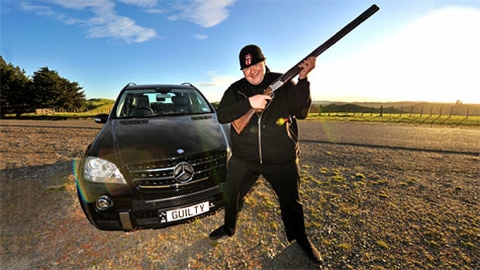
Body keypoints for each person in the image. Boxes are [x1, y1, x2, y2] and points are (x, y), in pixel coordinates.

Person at [210, 44, 322, 264]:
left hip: (282, 160)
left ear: (264, 62)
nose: (252, 71)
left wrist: (303, 79)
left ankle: (301, 238)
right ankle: (229, 227)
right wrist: (248, 103)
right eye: (246, 67)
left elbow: (301, 112)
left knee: (292, 203)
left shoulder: (283, 82)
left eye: (256, 65)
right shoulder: (235, 90)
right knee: (231, 194)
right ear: (242, 70)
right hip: (245, 159)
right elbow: (221, 115)